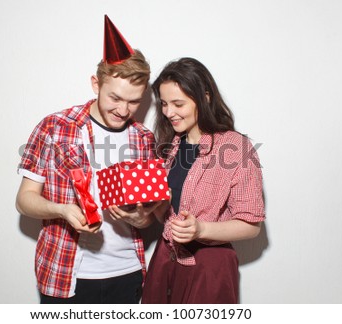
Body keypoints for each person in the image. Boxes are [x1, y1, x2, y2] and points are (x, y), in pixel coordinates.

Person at [16, 15, 160, 304]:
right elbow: (24, 200)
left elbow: (151, 212)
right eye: (115, 98)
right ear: (96, 84)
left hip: (127, 272)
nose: (123, 109)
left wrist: (140, 217)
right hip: (65, 274)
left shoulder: (144, 138)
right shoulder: (55, 127)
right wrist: (63, 210)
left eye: (134, 101)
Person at [142, 57, 266, 304]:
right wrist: (150, 207)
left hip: (210, 268)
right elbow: (168, 215)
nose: (168, 113)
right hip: (165, 260)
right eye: (164, 104)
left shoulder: (235, 148)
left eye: (178, 103)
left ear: (205, 97)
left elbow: (252, 225)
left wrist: (201, 229)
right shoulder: (170, 146)